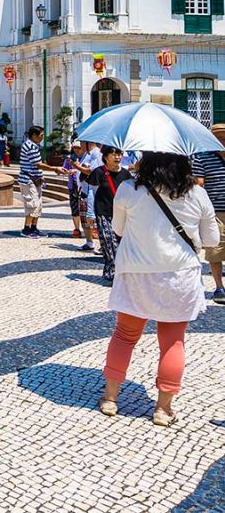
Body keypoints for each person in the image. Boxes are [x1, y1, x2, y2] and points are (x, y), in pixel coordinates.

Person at [99, 152, 221, 426]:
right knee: (172, 342)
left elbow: (118, 229)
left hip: (136, 273)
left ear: (147, 161)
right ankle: (163, 409)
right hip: (178, 276)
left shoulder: (129, 189)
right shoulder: (197, 194)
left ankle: (110, 398)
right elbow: (212, 239)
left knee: (125, 335)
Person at [87, 146, 133, 281]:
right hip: (104, 212)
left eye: (119, 154)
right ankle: (114, 272)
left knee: (122, 243)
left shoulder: (125, 174)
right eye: (113, 154)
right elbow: (91, 192)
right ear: (105, 157)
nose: (117, 157)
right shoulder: (99, 172)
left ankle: (111, 269)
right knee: (109, 243)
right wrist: (90, 212)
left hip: (122, 213)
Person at [192, 122, 225, 304]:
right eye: (219, 137)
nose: (222, 140)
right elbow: (198, 183)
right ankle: (219, 286)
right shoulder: (202, 157)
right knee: (215, 250)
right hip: (215, 211)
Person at [18, 126, 64, 238]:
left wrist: (41, 176)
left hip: (34, 179)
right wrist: (55, 168)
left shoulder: (34, 145)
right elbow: (37, 164)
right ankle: (26, 229)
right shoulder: (30, 146)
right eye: (41, 135)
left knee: (38, 204)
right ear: (34, 135)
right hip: (28, 180)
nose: (42, 138)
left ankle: (34, 227)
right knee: (32, 205)